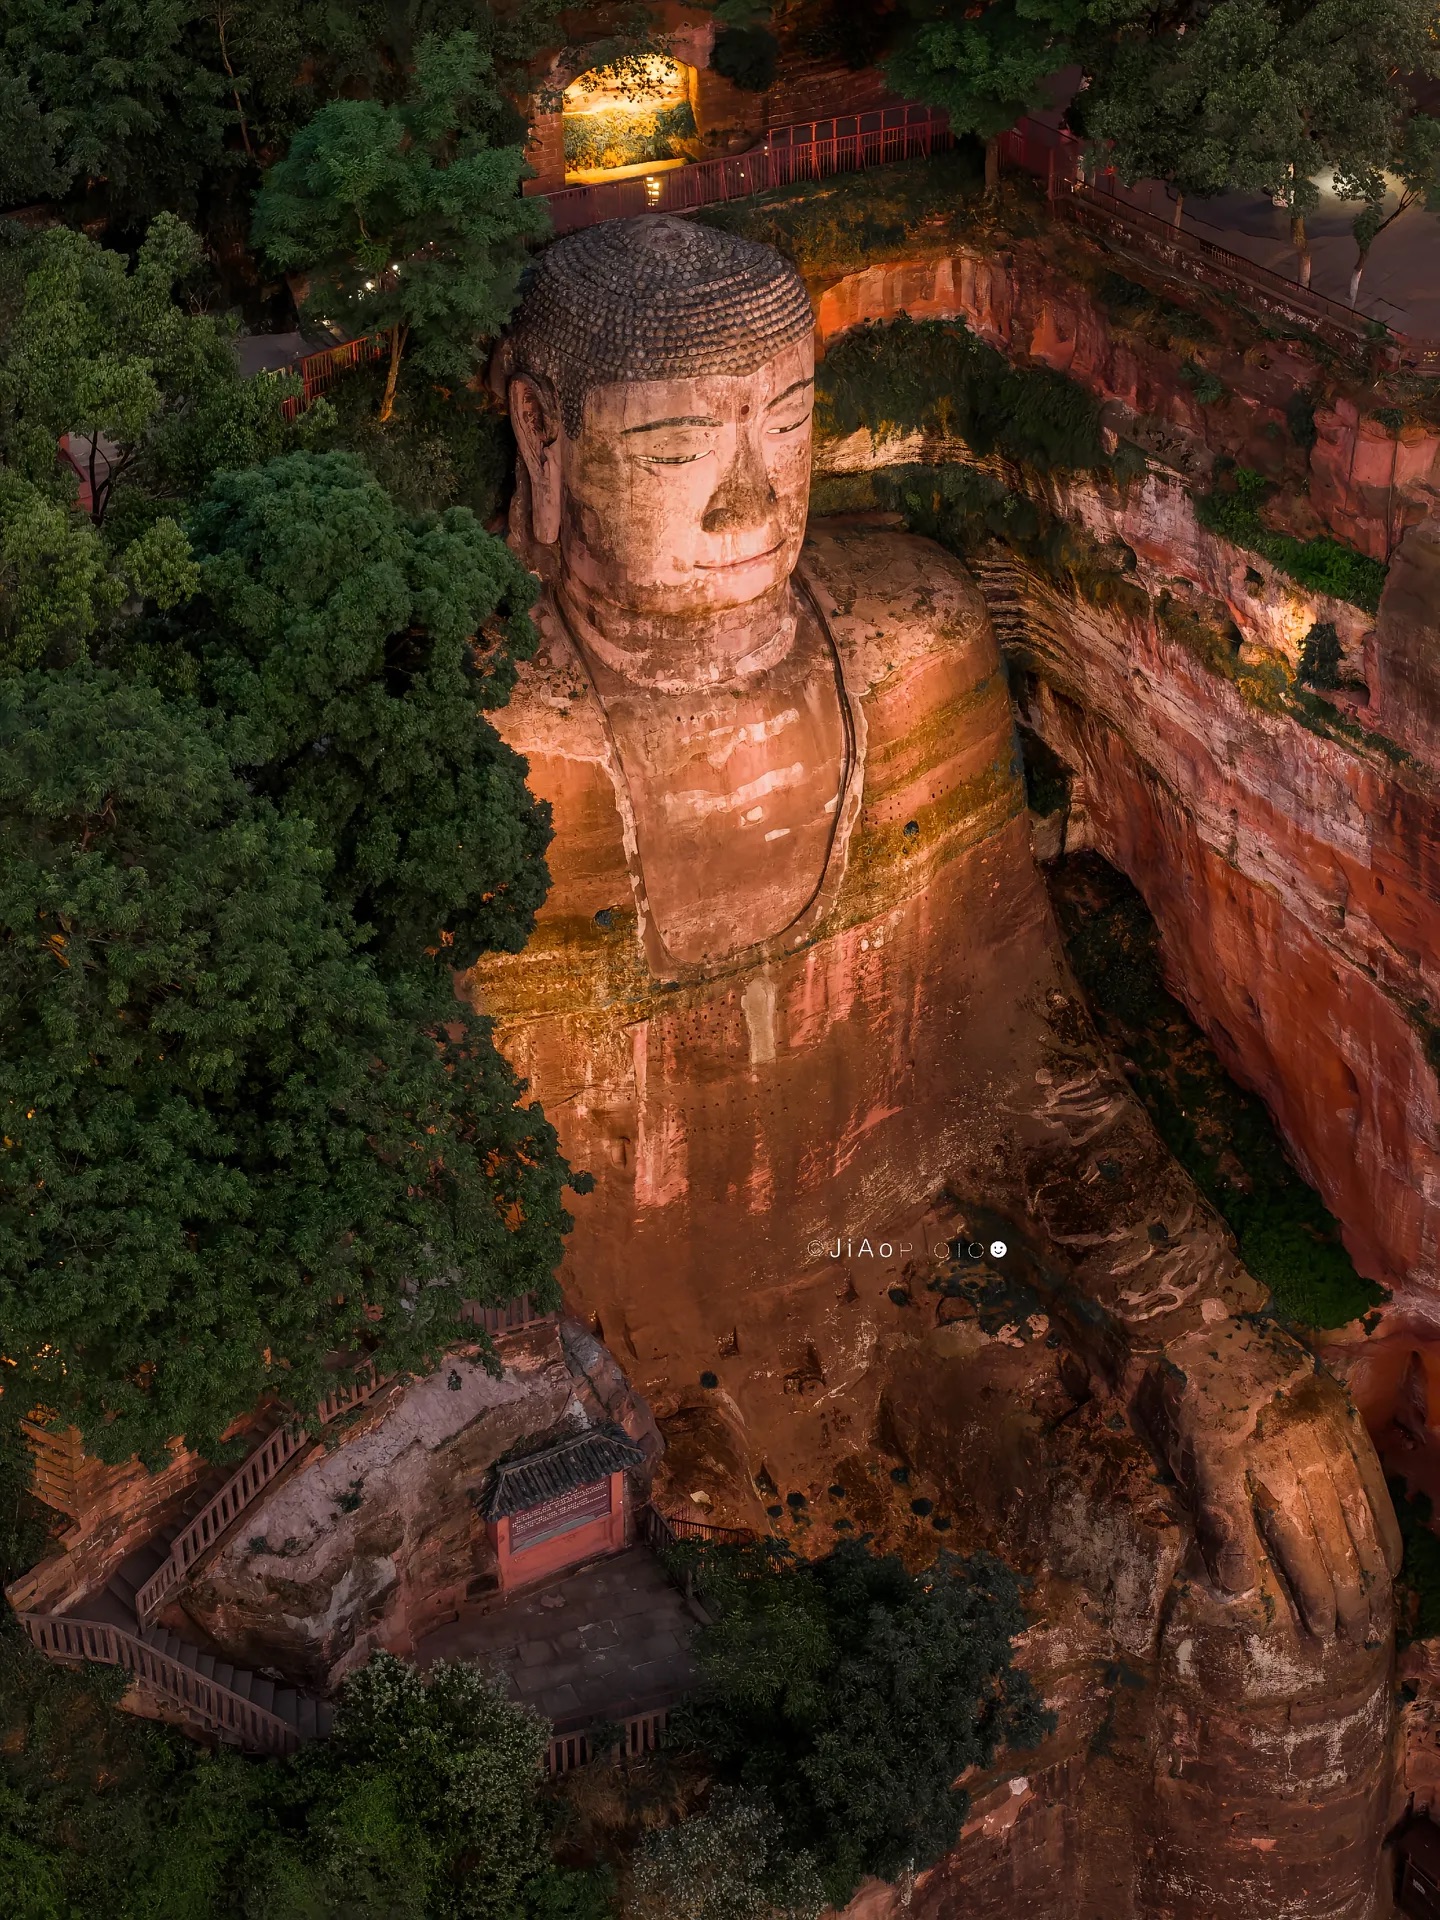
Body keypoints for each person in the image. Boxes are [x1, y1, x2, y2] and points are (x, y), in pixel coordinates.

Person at [473, 215, 1397, 1913]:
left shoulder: (903, 643)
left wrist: (1212, 1345)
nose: (758, 502)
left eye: (790, 427)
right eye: (679, 449)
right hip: (583, 1402)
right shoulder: (478, 752)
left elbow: (1034, 1065)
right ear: (544, 437)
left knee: (1275, 1627)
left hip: (901, 1291)